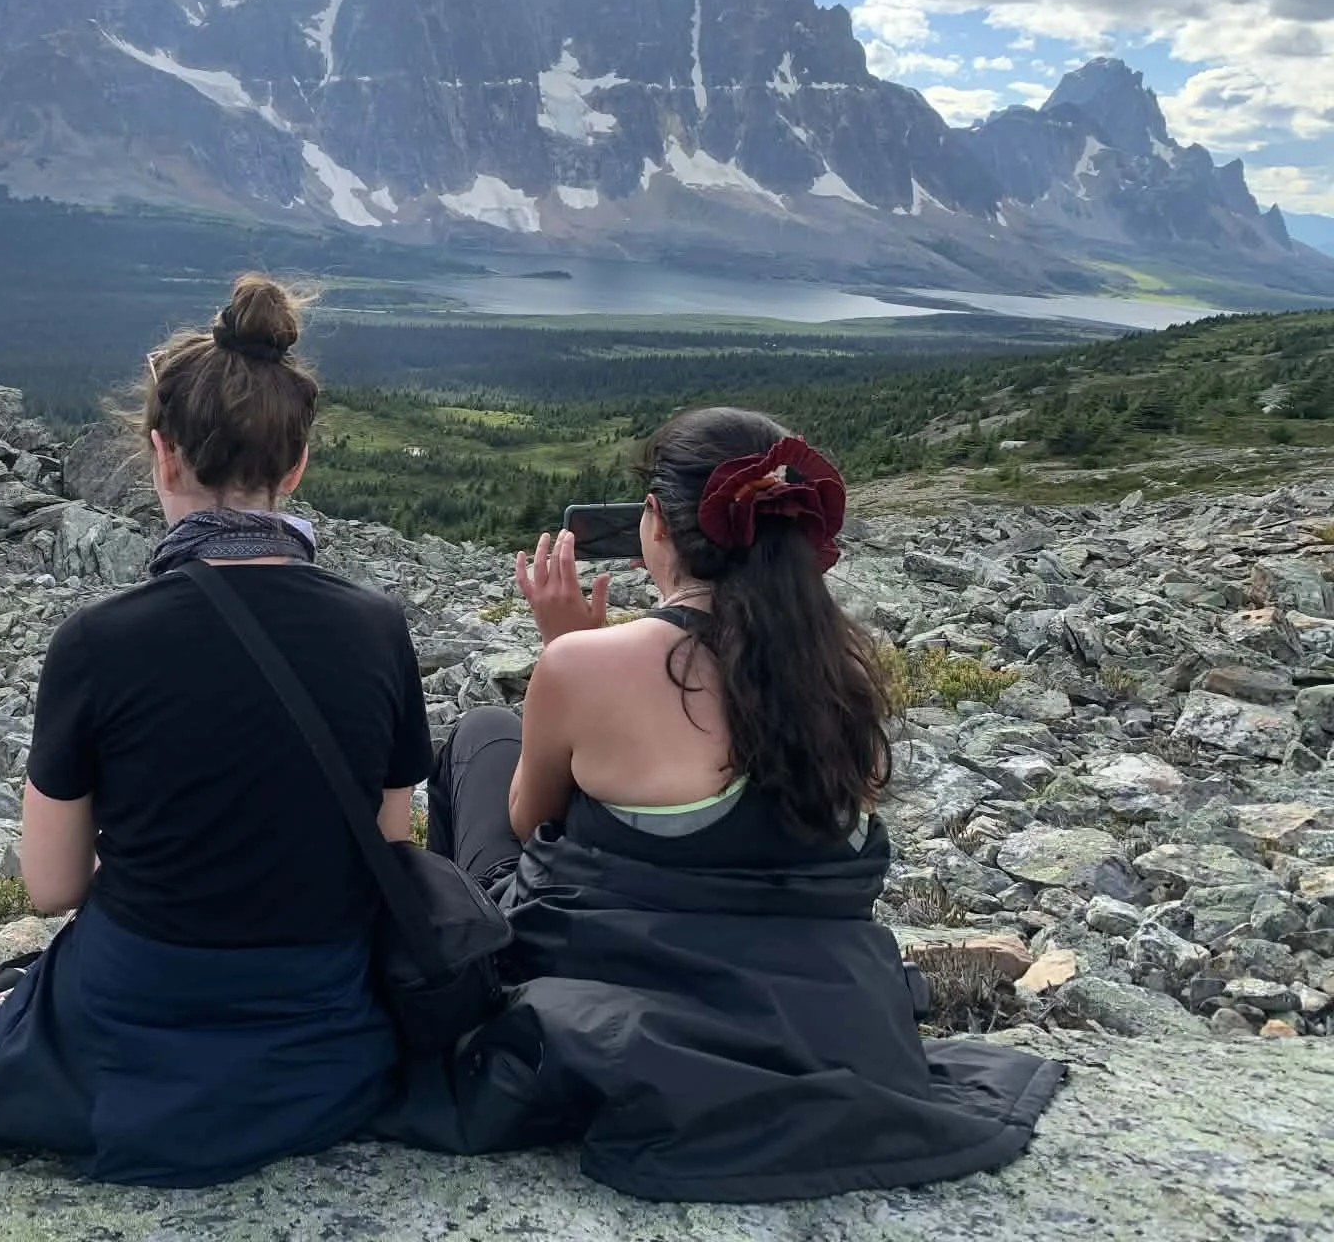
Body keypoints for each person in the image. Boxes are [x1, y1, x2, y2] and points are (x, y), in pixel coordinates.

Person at [390, 407, 1064, 1200]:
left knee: (481, 737)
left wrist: (559, 648)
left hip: (618, 973)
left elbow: (526, 821)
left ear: (657, 525)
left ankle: (453, 1015)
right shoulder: (838, 669)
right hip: (816, 997)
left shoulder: (586, 663)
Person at [0, 277, 434, 1186]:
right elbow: (389, 842)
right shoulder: (378, 625)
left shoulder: (99, 641)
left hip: (137, 1000)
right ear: (296, 466)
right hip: (320, 1013)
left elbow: (50, 888)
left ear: (161, 455)